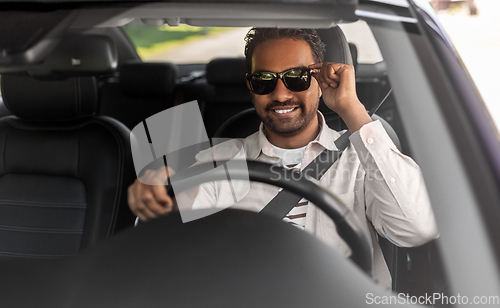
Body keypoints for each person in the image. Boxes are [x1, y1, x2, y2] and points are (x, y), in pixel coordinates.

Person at [127, 28, 438, 290]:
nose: (279, 94)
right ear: (250, 88)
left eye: (297, 77)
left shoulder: (364, 158)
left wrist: (350, 108)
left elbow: (417, 229)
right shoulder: (218, 161)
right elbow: (162, 242)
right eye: (263, 80)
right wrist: (156, 199)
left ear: (320, 80)